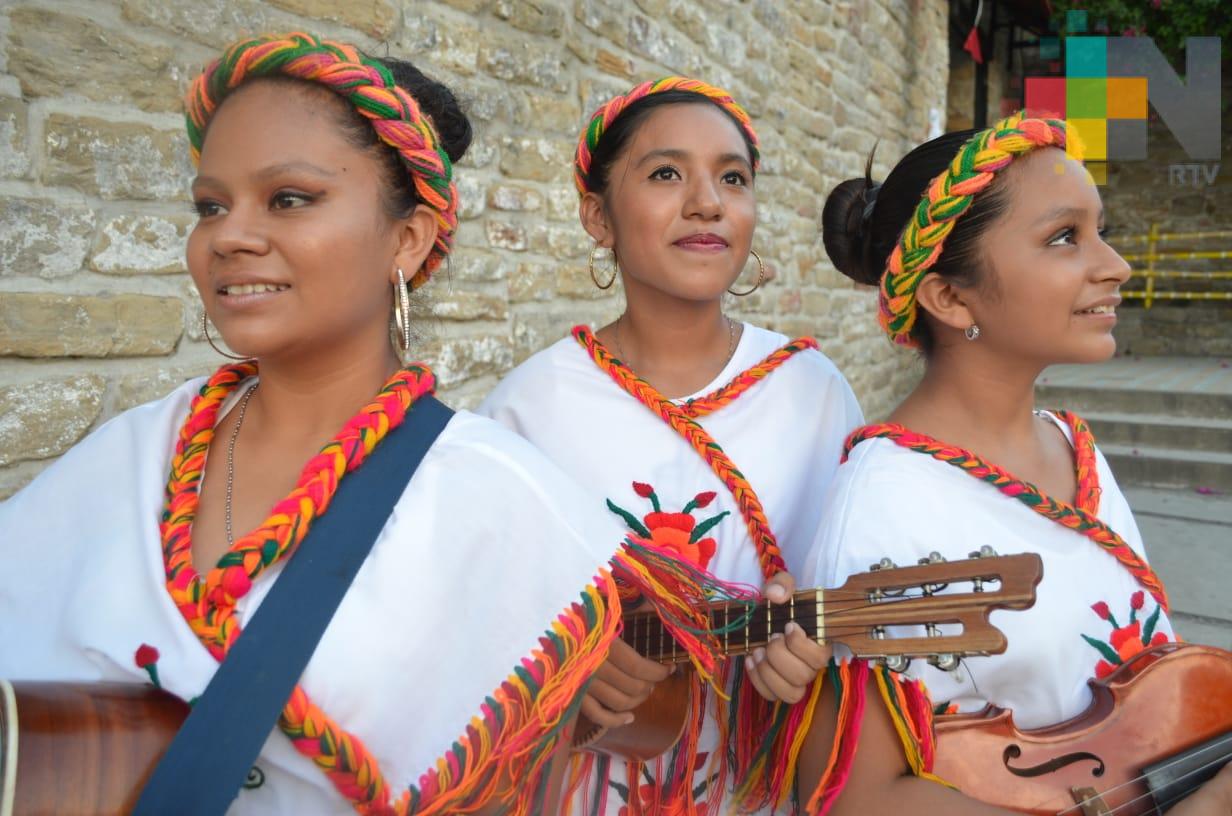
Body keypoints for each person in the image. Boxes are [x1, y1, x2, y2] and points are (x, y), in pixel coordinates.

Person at [0, 32, 675, 815]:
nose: (228, 235)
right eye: (210, 206)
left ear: (408, 238)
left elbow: (624, 720)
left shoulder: (500, 503)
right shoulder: (129, 459)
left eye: (289, 198)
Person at [477, 77, 927, 814]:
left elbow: (852, 594)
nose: (707, 202)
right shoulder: (531, 409)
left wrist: (812, 648)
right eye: (664, 174)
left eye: (732, 178)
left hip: (766, 788)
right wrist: (571, 677)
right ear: (598, 216)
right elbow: (480, 638)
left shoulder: (812, 393)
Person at [804, 112, 1232, 814]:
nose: (1116, 266)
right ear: (949, 296)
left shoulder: (1072, 445)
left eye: (1101, 229)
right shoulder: (887, 511)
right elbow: (859, 797)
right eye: (1065, 237)